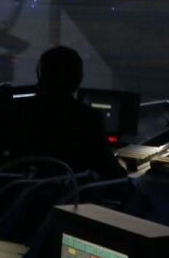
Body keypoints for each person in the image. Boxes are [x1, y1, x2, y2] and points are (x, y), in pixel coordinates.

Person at [12, 45, 125, 180]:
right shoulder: (87, 118)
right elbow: (111, 171)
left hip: (23, 196)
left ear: (41, 76)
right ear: (78, 79)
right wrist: (122, 165)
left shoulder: (20, 111)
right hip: (72, 197)